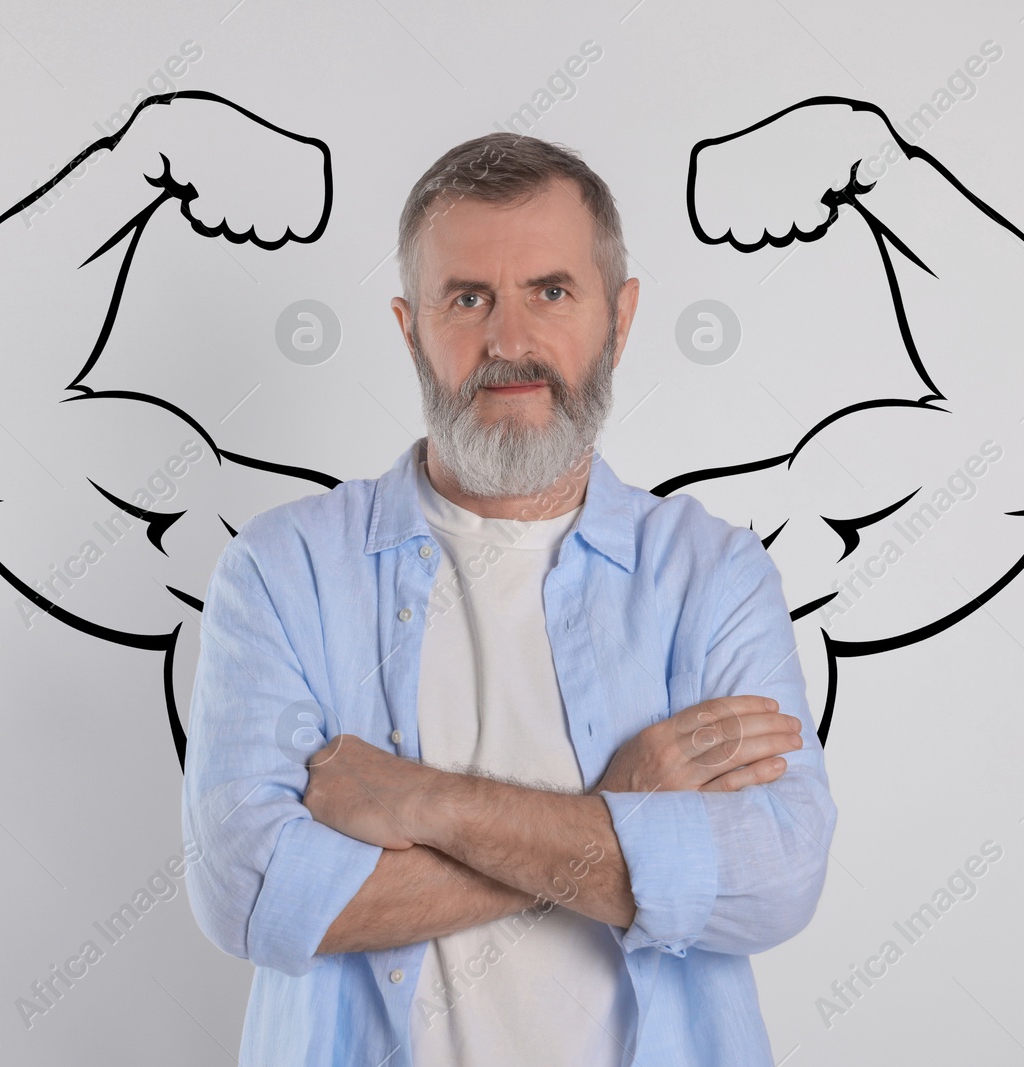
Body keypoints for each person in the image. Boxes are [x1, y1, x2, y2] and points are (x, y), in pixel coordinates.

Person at [181, 132, 836, 1067]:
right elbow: (250, 894)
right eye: (468, 298)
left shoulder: (713, 575)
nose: (510, 341)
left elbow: (773, 877)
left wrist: (422, 803)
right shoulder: (283, 571)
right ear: (412, 330)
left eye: (552, 291)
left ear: (620, 317)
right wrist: (621, 809)